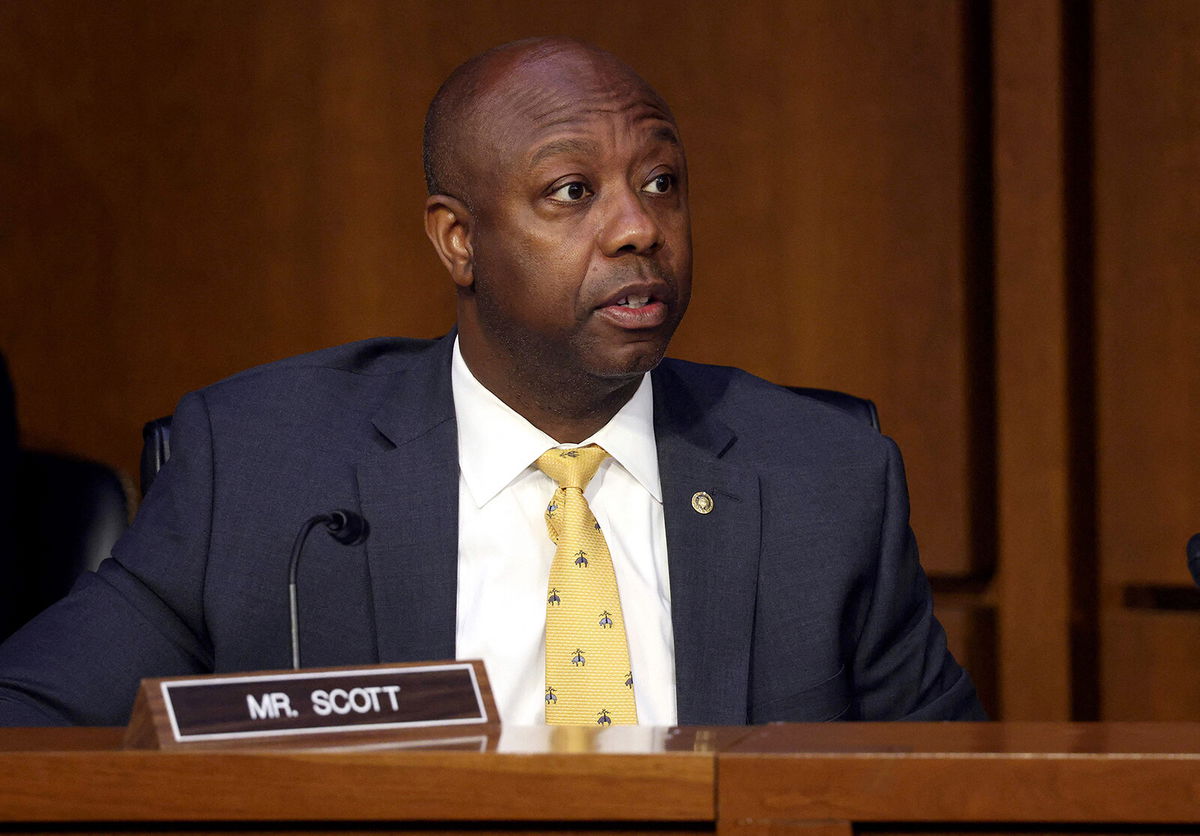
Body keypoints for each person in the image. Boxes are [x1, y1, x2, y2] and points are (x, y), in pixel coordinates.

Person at [0, 37, 985, 726]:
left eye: (661, 182)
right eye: (573, 192)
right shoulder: (263, 468)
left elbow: (947, 793)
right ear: (458, 239)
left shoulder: (825, 481)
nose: (639, 226)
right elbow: (33, 720)